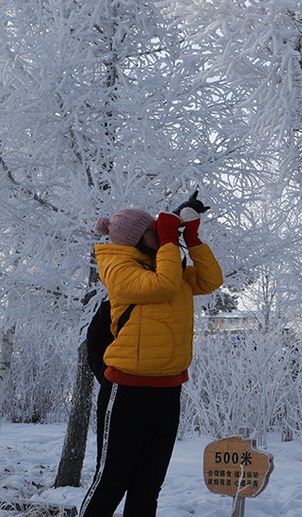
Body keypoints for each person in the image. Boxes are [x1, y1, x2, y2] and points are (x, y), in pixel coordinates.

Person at [79, 192, 223, 517]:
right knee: (112, 480)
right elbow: (164, 286)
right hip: (127, 390)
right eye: (153, 232)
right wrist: (170, 239)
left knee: (147, 485)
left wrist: (193, 239)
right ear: (135, 239)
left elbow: (211, 280)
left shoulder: (164, 266)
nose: (159, 236)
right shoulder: (120, 269)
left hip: (168, 390)